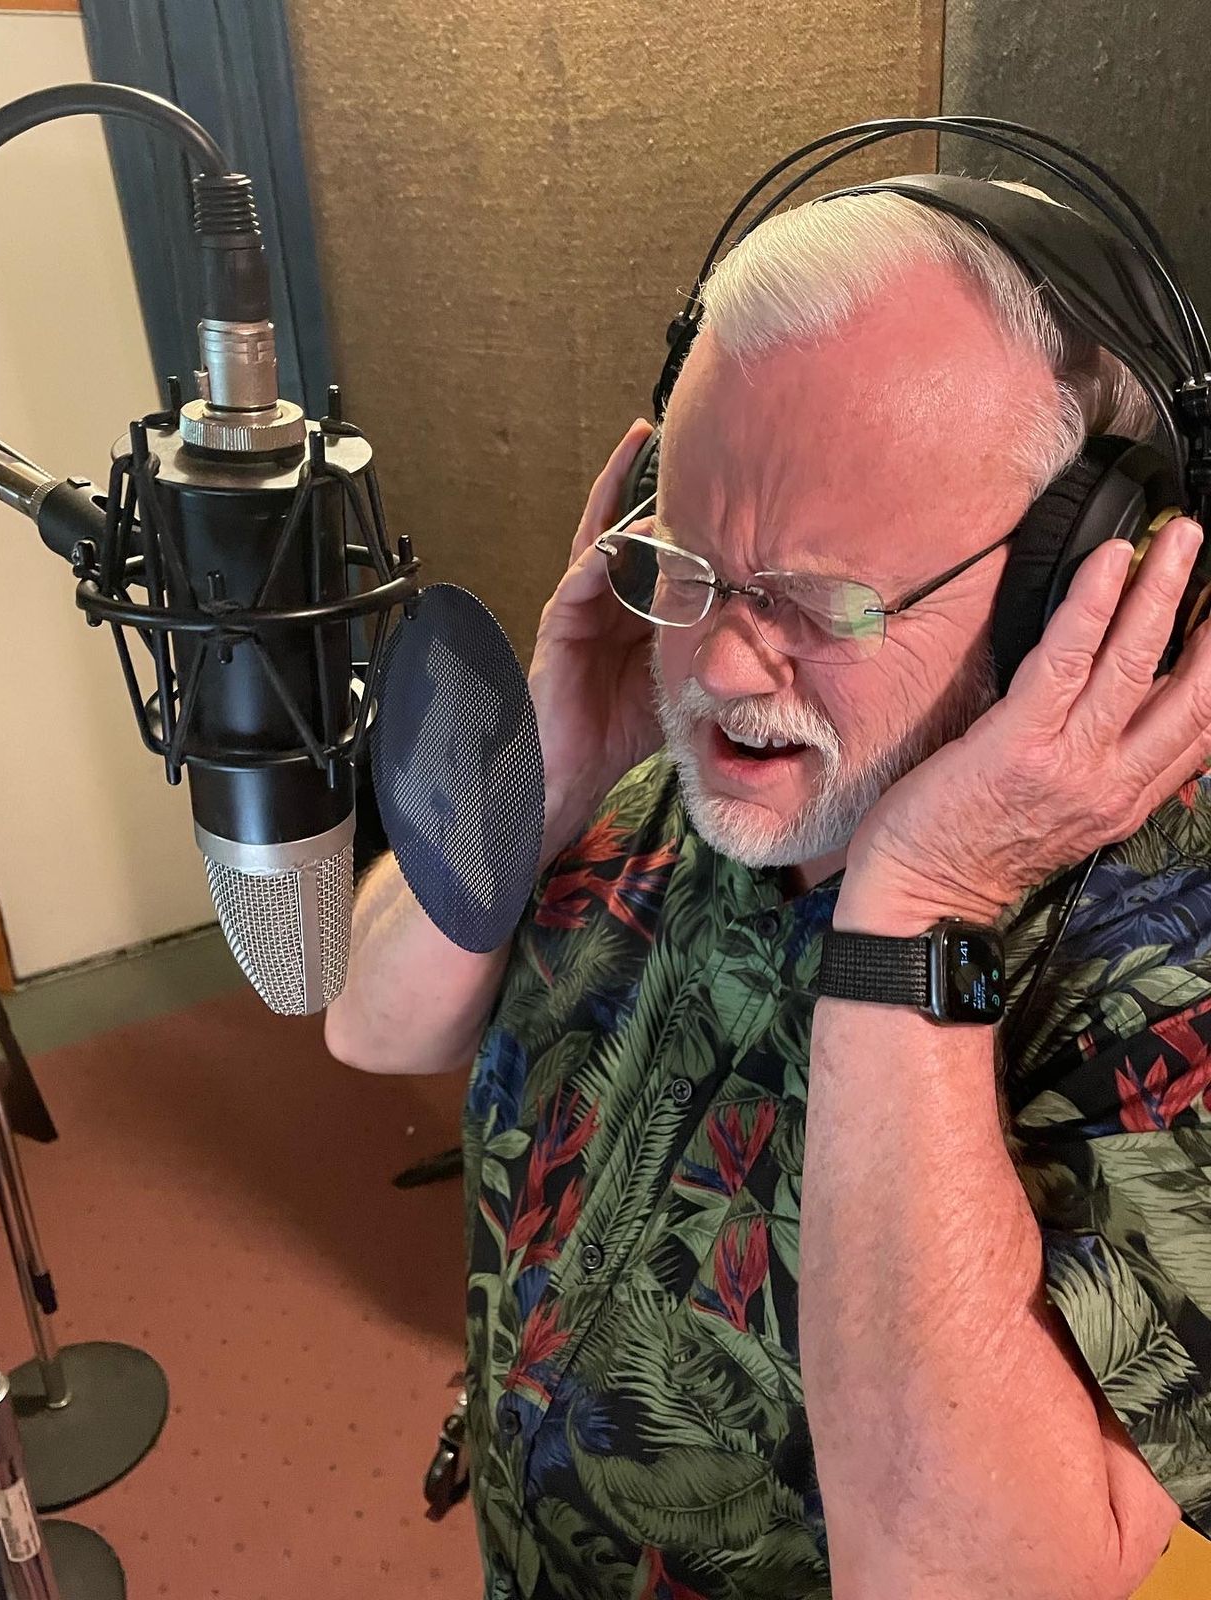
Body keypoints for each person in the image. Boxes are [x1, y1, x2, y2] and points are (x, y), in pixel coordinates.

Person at [324, 184, 1211, 1600]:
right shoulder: (657, 766)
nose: (726, 666)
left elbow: (966, 1581)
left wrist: (922, 909)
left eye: (822, 599)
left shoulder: (1162, 962)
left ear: (1067, 585)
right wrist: (536, 780)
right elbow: (374, 1028)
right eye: (690, 567)